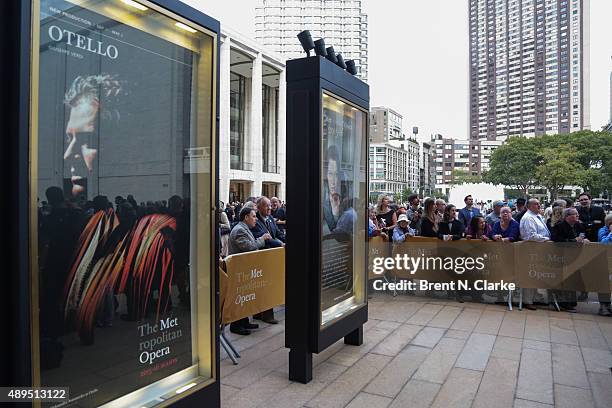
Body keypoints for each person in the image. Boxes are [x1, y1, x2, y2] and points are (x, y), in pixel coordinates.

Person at [227, 207, 273, 335]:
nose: (256, 219)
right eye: (253, 216)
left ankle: (244, 321)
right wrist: (262, 239)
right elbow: (250, 247)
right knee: (239, 297)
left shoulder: (245, 228)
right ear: (246, 217)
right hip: (239, 270)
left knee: (245, 296)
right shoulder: (240, 230)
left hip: (245, 270)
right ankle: (236, 325)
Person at [550, 208, 589, 313]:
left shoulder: (578, 225)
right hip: (561, 257)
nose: (577, 216)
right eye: (575, 214)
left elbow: (582, 235)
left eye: (577, 214)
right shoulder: (559, 226)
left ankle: (570, 302)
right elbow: (556, 241)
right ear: (567, 216)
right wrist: (573, 241)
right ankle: (563, 304)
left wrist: (584, 240)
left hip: (575, 257)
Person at [519, 198, 551, 310]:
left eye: (539, 203)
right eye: (536, 204)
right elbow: (530, 236)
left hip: (539, 250)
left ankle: (535, 298)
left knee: (536, 275)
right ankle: (527, 301)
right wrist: (547, 239)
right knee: (530, 275)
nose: (539, 205)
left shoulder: (537, 216)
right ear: (529, 206)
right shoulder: (528, 218)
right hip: (531, 251)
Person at [597, 214, 612, 316]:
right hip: (605, 261)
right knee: (605, 284)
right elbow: (604, 243)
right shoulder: (603, 230)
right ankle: (603, 306)